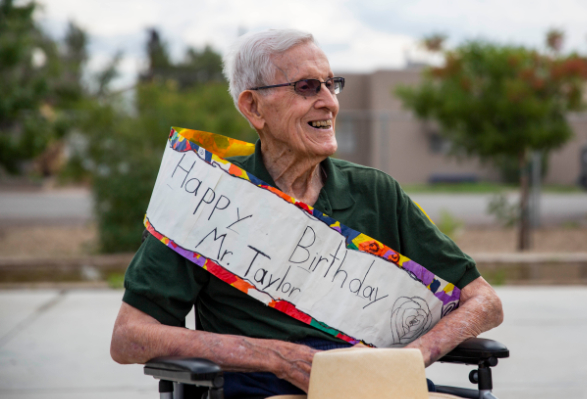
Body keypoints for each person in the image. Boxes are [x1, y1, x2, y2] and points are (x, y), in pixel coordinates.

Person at [110, 29, 503, 398]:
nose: (329, 101)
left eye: (332, 84)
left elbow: (485, 302)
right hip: (263, 387)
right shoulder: (207, 197)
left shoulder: (375, 192)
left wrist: (414, 356)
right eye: (306, 87)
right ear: (253, 106)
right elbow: (130, 336)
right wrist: (274, 356)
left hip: (373, 385)